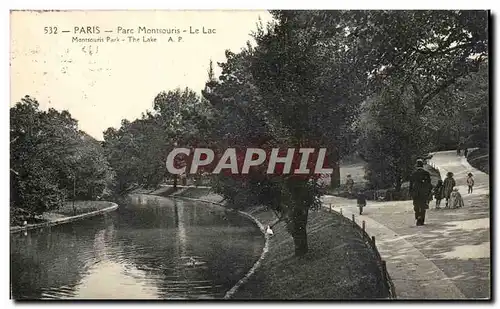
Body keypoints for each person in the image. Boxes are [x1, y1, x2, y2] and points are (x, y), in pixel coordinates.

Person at [409, 159, 433, 226]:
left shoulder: (413, 174)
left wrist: (410, 192)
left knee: (416, 205)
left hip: (416, 192)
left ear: (416, 165)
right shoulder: (426, 173)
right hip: (424, 192)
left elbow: (411, 184)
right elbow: (429, 184)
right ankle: (422, 219)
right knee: (423, 205)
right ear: (422, 165)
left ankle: (417, 217)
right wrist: (429, 191)